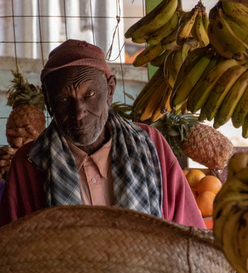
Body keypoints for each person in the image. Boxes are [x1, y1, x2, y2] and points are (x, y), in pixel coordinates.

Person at [0, 39, 206, 229]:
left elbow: (189, 233)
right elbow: (13, 251)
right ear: (49, 103)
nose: (78, 113)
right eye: (63, 100)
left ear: (110, 90)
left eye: (89, 95)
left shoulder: (150, 143)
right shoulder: (29, 163)